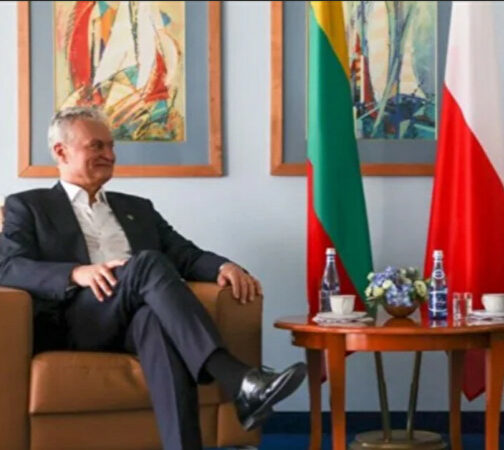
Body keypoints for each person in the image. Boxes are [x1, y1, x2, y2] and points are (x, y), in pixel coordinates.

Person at [0, 106, 307, 450]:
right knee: (146, 263)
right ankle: (237, 378)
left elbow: (186, 255)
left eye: (111, 146)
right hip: (76, 319)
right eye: (97, 146)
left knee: (154, 322)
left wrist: (225, 267)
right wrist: (76, 272)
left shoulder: (137, 208)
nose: (110, 155)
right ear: (61, 151)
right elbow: (9, 266)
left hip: (134, 320)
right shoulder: (27, 206)